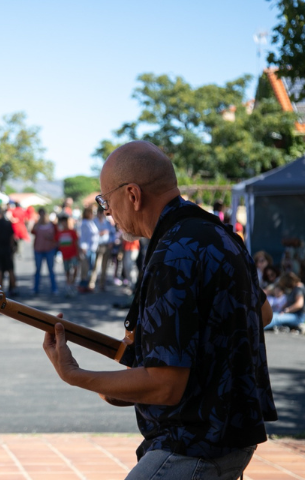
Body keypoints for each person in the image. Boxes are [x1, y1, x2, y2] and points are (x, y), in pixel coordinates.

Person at [42, 141, 276, 480]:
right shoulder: (220, 233)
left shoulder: (173, 253)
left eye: (106, 201)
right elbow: (262, 314)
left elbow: (166, 386)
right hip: (230, 436)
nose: (108, 212)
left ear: (133, 195)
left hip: (195, 444)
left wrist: (74, 375)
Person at [31, 208, 58, 295]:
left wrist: (50, 238)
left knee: (51, 270)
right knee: (38, 270)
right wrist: (38, 222)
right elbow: (32, 231)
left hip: (49, 249)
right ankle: (36, 289)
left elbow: (57, 236)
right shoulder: (37, 224)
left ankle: (54, 288)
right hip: (38, 250)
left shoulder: (52, 225)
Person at [88, 206, 115, 292]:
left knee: (104, 266)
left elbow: (112, 233)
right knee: (96, 266)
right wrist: (100, 233)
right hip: (97, 245)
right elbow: (91, 234)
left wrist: (111, 242)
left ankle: (102, 284)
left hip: (106, 245)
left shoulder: (107, 222)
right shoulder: (93, 222)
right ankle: (91, 284)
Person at [56, 214, 79, 297]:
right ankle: (69, 286)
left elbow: (76, 243)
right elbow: (57, 243)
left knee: (76, 268)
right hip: (65, 255)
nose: (64, 224)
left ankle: (72, 283)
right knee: (67, 271)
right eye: (62, 222)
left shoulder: (72, 232)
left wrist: (78, 253)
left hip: (73, 254)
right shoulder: (59, 233)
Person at [78, 207, 99, 292]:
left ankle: (87, 284)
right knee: (85, 268)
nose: (92, 214)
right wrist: (83, 247)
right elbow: (83, 236)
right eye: (91, 213)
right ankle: (83, 285)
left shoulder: (90, 222)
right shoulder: (84, 223)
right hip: (87, 248)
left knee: (90, 267)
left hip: (92, 248)